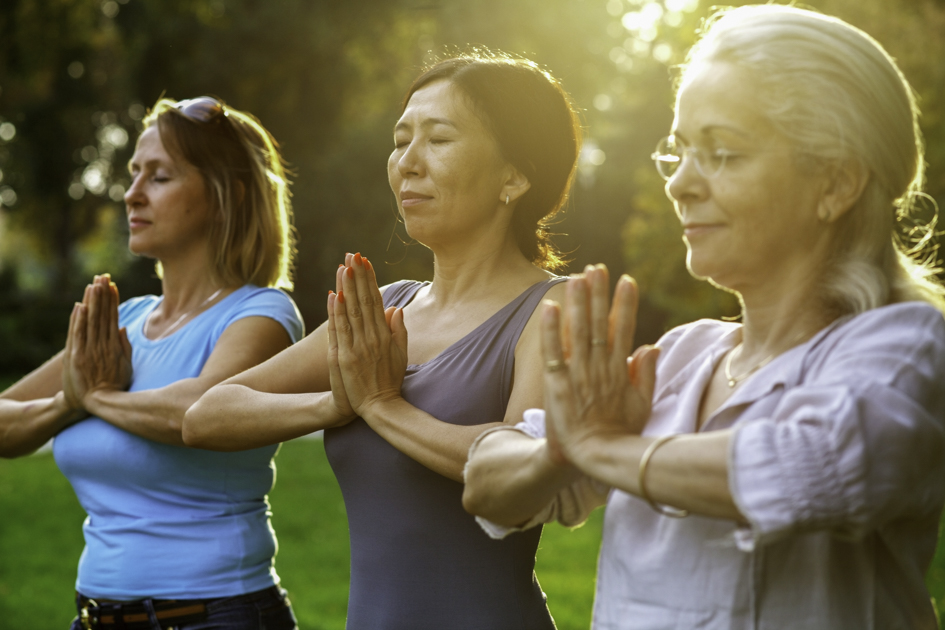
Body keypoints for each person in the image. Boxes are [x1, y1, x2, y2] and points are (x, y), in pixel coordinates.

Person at [462, 6, 945, 629]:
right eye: (680, 151)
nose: (680, 185)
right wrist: (560, 451)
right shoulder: (684, 355)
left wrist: (600, 449)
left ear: (836, 183)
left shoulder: (904, 344)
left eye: (721, 153)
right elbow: (485, 481)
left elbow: (815, 466)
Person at [184, 53, 582, 629]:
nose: (407, 163)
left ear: (515, 176)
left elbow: (523, 467)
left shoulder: (552, 309)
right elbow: (206, 415)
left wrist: (380, 406)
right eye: (401, 140)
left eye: (439, 139)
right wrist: (335, 403)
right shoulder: (385, 307)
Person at [1, 96, 304, 629]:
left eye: (159, 177)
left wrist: (98, 398)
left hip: (215, 616)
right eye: (134, 173)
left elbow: (199, 413)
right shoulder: (125, 321)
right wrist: (68, 402)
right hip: (96, 617)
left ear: (224, 195)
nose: (132, 194)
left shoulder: (261, 313)